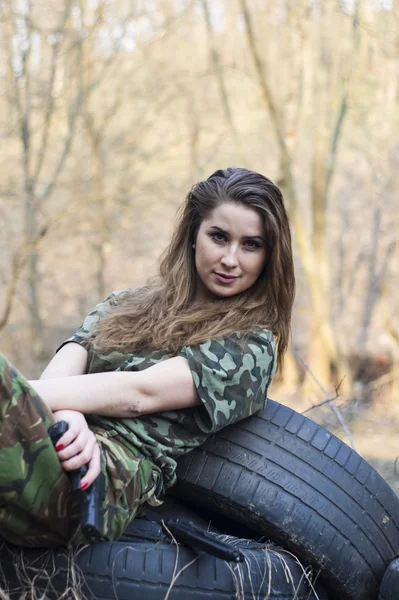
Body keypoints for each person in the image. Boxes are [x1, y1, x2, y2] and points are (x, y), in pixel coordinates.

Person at [0, 167, 295, 548]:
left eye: (251, 245)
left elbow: (139, 393)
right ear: (193, 235)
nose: (230, 259)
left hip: (92, 486)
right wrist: (68, 418)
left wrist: (24, 398)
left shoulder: (250, 347)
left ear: (269, 256)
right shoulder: (127, 303)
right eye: (219, 237)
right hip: (56, 441)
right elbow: (72, 356)